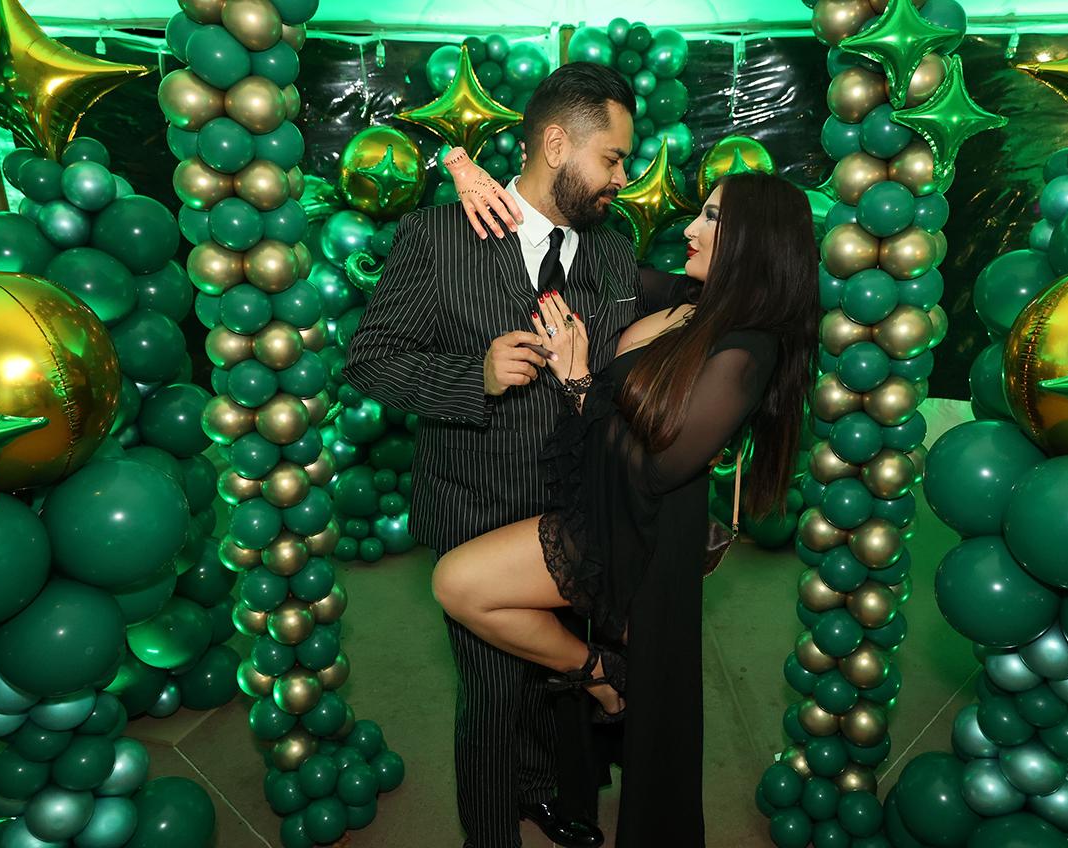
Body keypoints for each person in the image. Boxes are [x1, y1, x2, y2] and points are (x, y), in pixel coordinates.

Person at [431, 169, 820, 846]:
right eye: (699, 214)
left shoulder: (748, 348)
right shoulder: (685, 299)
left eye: (712, 219)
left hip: (645, 536)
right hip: (601, 504)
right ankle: (602, 678)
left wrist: (580, 377)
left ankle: (599, 676)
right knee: (470, 591)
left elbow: (661, 466)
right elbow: (565, 249)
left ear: (757, 241)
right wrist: (474, 179)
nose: (691, 230)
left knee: (459, 583)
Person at [343, 62, 651, 848]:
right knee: (491, 691)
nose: (623, 177)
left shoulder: (614, 250)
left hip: (575, 511)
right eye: (613, 158)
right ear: (556, 142)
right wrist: (471, 375)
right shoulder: (436, 236)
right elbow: (370, 360)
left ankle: (544, 793)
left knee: (550, 684)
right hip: (475, 505)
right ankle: (490, 831)